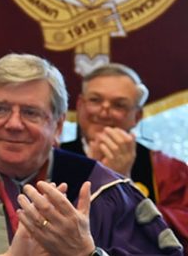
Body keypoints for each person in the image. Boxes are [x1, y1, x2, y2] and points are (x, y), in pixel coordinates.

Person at [0, 53, 183, 256]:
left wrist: (86, 253)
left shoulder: (106, 191)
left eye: (30, 112)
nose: (13, 124)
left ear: (58, 125)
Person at [61, 63, 188, 244]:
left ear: (137, 116)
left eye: (119, 105)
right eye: (95, 100)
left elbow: (179, 234)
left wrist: (124, 187)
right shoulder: (52, 157)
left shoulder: (167, 169)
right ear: (80, 105)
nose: (104, 112)